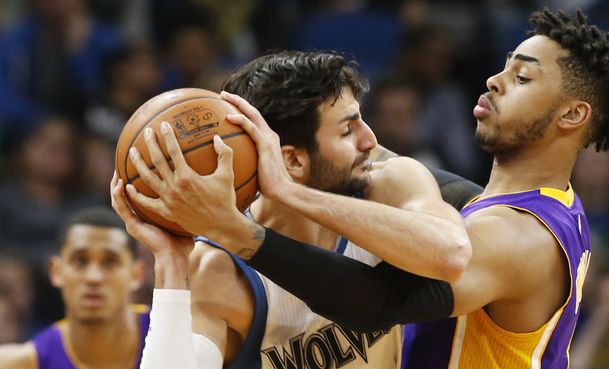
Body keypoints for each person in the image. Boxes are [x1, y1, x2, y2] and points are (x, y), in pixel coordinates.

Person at [125, 7, 609, 369]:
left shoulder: (518, 235)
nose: (494, 81)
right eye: (504, 67)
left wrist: (259, 213)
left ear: (573, 115)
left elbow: (380, 300)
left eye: (522, 79)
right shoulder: (497, 203)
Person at [113, 51, 482, 369]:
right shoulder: (220, 272)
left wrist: (287, 192)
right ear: (291, 159)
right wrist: (171, 261)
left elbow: (450, 253)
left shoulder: (388, 181)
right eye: (346, 130)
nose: (370, 140)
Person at [0, 207, 148, 369]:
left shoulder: (172, 332)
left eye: (110, 262)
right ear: (56, 271)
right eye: (80, 261)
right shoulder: (22, 363)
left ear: (136, 274)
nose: (94, 277)